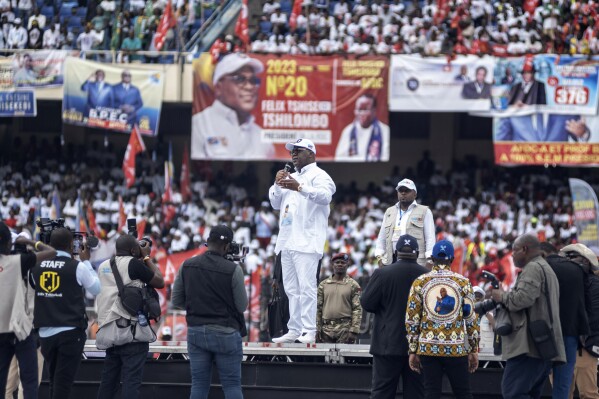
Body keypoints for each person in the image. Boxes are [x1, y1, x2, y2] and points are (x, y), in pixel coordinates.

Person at [269, 138, 336, 344]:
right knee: (291, 289)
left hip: (307, 241)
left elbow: (326, 197)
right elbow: (275, 203)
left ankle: (310, 329)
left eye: (299, 151)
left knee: (307, 288)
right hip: (287, 240)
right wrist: (277, 183)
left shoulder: (320, 175)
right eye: (292, 152)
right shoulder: (292, 176)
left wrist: (300, 188)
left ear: (312, 154)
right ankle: (294, 328)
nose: (294, 154)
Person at [171, 225, 248, 399]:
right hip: (226, 333)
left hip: (196, 332)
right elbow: (242, 306)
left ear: (207, 243)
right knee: (232, 385)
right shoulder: (234, 270)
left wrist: (197, 307)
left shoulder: (187, 265)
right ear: (228, 246)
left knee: (198, 385)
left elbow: (176, 301)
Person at [490, 234, 565, 399]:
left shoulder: (533, 268)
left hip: (529, 346)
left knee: (513, 392)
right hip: (542, 344)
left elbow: (521, 300)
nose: (512, 255)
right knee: (529, 393)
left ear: (525, 249)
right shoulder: (546, 268)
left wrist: (500, 296)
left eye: (514, 250)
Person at [32, 228, 101, 399]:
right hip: (70, 333)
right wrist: (85, 262)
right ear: (72, 245)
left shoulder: (35, 265)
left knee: (55, 382)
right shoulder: (78, 267)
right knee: (62, 385)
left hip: (45, 333)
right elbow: (96, 288)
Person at [406, 240, 480, 399]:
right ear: (452, 259)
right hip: (456, 348)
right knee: (463, 393)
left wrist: (413, 349)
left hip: (428, 348)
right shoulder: (463, 282)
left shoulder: (420, 282)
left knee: (431, 393)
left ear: (432, 258)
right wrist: (474, 348)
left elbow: (412, 320)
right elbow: (471, 319)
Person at [95, 235, 165, 399]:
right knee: (131, 383)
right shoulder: (133, 264)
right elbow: (160, 281)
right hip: (132, 335)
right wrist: (146, 256)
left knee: (108, 383)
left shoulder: (104, 265)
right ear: (134, 250)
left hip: (110, 333)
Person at [361, 234, 428, 399]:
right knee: (416, 394)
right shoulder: (427, 276)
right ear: (417, 253)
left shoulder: (382, 274)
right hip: (419, 346)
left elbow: (367, 303)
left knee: (382, 394)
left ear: (396, 253)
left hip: (387, 344)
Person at [0, 222, 55, 399]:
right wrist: (32, 242)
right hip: (23, 328)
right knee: (29, 382)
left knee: (6, 382)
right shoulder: (20, 262)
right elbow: (51, 252)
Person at [191, 53, 274, 160]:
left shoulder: (262, 137)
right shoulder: (198, 125)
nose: (249, 87)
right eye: (239, 79)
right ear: (218, 87)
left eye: (253, 81)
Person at [540, 242, 588, 399]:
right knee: (563, 384)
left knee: (536, 379)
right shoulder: (577, 270)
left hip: (543, 334)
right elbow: (586, 303)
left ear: (541, 254)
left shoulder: (538, 267)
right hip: (570, 333)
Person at [560, 243, 599, 399]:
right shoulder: (564, 281)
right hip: (565, 343)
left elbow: (594, 316)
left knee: (588, 393)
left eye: (572, 257)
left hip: (584, 345)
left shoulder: (594, 284)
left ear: (585, 261)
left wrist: (585, 339)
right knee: (562, 393)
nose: (568, 261)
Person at [375, 178, 435, 267]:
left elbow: (430, 238)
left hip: (416, 261)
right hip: (391, 260)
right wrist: (379, 257)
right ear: (397, 193)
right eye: (400, 190)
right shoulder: (389, 211)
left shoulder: (424, 211)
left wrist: (429, 261)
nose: (403, 193)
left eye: (407, 190)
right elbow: (382, 237)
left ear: (415, 194)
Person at [316, 253, 362, 343]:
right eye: (337, 262)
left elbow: (357, 309)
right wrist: (317, 329)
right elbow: (318, 308)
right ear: (332, 265)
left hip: (345, 329)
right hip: (326, 330)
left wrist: (354, 330)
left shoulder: (353, 285)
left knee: (345, 357)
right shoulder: (323, 285)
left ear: (348, 265)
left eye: (343, 262)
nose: (340, 264)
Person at [335, 94, 390, 162]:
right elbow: (339, 158)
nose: (362, 113)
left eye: (365, 109)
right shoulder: (348, 131)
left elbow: (385, 157)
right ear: (355, 111)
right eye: (359, 110)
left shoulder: (385, 131)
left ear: (374, 110)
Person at [495, 113, 590, 142]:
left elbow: (581, 132)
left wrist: (583, 133)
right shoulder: (512, 108)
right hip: (521, 168)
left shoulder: (565, 109)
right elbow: (501, 141)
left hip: (558, 168)